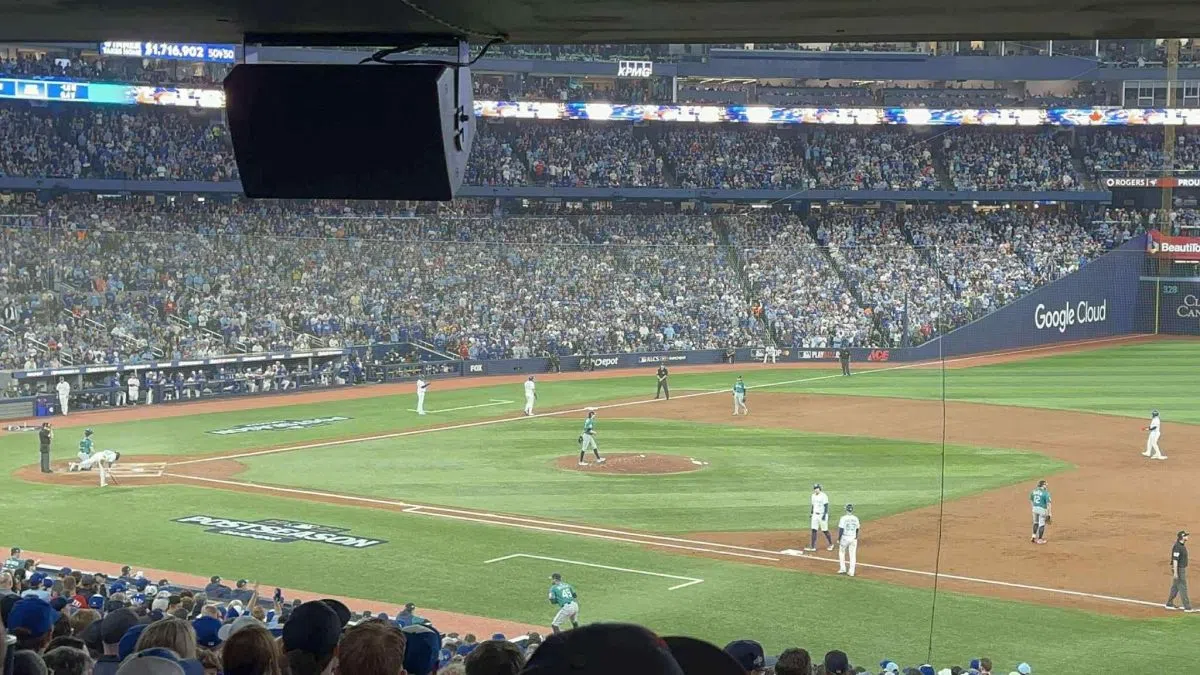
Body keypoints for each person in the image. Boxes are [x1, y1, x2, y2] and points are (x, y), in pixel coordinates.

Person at [1166, 530, 1194, 612]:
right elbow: (1175, 560)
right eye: (1185, 536)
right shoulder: (1177, 547)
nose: (1187, 537)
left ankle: (1169, 603)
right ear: (1182, 537)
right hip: (1179, 569)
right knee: (1182, 586)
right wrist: (1175, 572)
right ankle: (1187, 607)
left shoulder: (1181, 545)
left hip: (1180, 569)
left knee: (1175, 586)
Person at [806, 483, 833, 552]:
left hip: (822, 514)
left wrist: (824, 515)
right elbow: (813, 505)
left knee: (824, 530)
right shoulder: (813, 496)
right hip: (815, 515)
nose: (816, 490)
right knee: (814, 530)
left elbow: (826, 506)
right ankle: (813, 547)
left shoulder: (823, 496)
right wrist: (811, 513)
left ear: (819, 488)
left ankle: (831, 544)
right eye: (815, 488)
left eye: (817, 488)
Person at [837, 504, 861, 577]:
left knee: (841, 552)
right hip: (853, 538)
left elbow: (841, 529)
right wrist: (856, 536)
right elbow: (857, 528)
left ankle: (843, 568)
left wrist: (838, 538)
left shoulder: (843, 518)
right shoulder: (856, 518)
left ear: (846, 510)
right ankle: (851, 572)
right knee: (853, 555)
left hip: (845, 537)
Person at [1029, 479, 1051, 545]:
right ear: (1042, 485)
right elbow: (1048, 504)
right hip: (1042, 510)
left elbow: (1031, 500)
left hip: (1034, 509)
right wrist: (1049, 513)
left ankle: (1033, 536)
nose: (1046, 486)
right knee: (1042, 524)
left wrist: (1033, 507)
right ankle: (1040, 540)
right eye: (1045, 485)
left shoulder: (1033, 491)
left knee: (1035, 523)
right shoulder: (1046, 493)